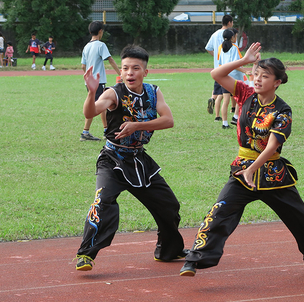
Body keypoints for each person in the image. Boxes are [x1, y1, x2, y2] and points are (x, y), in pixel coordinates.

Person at [180, 42, 304, 277]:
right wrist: (245, 61)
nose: (257, 79)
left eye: (264, 76)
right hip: (243, 171)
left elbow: (274, 145)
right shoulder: (245, 94)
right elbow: (216, 74)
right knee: (219, 212)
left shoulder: (283, 111)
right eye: (255, 74)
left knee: (303, 222)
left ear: (277, 82)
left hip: (273, 174)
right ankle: (194, 260)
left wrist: (253, 169)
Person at [74, 45, 187, 271]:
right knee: (103, 202)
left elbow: (168, 120)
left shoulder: (154, 92)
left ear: (145, 71)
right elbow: (90, 113)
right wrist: (90, 92)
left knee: (169, 206)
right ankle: (86, 255)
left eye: (135, 68)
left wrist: (137, 126)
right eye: (125, 68)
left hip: (139, 160)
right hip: (112, 159)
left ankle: (168, 251)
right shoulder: (114, 93)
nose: (129, 73)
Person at [81, 21, 121, 141]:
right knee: (97, 106)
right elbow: (110, 60)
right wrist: (121, 73)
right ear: (100, 31)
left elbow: (83, 66)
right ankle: (86, 132)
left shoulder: (86, 46)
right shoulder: (100, 45)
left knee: (100, 105)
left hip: (89, 82)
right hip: (98, 81)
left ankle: (105, 129)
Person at [217, 29, 247, 129]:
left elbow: (220, 63)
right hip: (235, 77)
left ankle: (224, 123)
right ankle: (235, 117)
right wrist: (245, 71)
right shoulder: (234, 48)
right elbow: (236, 64)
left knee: (226, 101)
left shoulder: (220, 48)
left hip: (225, 76)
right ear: (232, 37)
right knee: (240, 98)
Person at [205, 14, 234, 118]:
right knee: (229, 90)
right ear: (230, 22)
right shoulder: (230, 34)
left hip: (217, 66)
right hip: (227, 66)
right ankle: (233, 110)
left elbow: (208, 47)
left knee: (218, 87)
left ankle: (213, 99)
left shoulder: (215, 34)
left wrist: (215, 57)